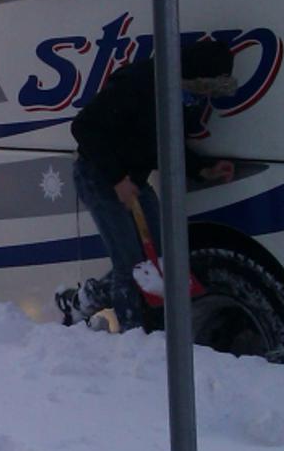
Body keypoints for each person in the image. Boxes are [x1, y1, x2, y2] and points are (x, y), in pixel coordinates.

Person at [55, 39, 238, 333]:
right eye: (199, 90)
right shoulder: (136, 84)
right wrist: (118, 179)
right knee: (130, 264)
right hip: (98, 176)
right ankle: (134, 336)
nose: (199, 100)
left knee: (162, 257)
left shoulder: (178, 97)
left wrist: (203, 169)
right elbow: (83, 127)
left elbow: (163, 142)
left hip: (134, 179)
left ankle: (86, 300)